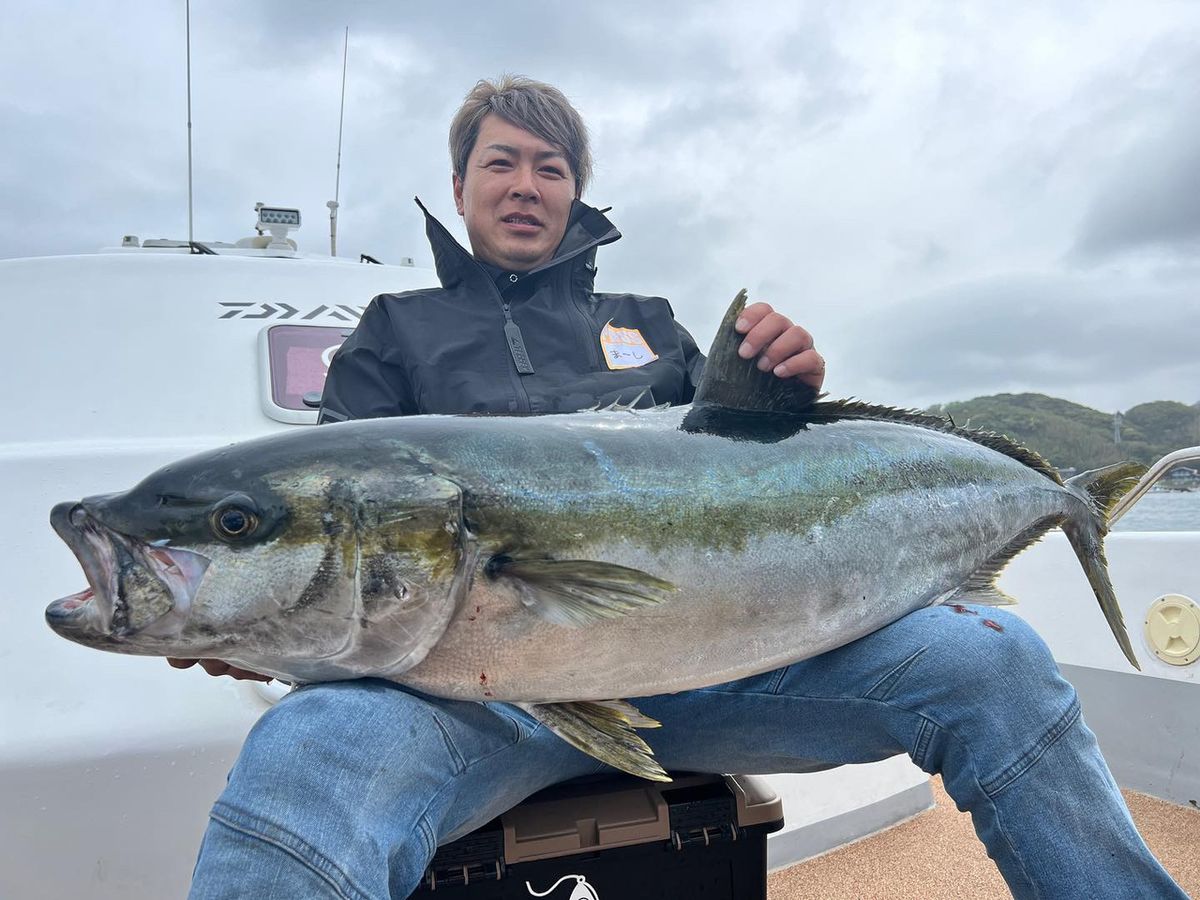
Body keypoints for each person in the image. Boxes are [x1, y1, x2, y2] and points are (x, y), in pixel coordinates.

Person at [181, 76, 1185, 899]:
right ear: (459, 185)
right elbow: (328, 547)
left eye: (551, 166)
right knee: (306, 752)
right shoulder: (390, 337)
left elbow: (739, 465)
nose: (526, 183)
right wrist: (250, 615)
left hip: (714, 668)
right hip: (471, 700)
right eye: (502, 162)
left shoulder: (651, 323)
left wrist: (789, 391)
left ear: (577, 192)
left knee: (993, 661)